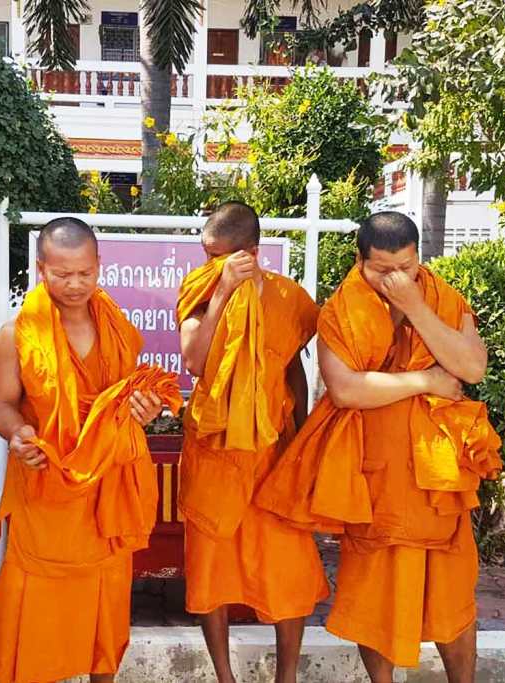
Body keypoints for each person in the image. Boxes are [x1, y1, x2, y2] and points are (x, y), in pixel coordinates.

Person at [257, 211, 501, 683]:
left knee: (451, 594)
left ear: (419, 259)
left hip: (438, 477)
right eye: (381, 269)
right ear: (359, 260)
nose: (395, 279)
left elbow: (471, 367)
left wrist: (416, 308)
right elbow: (346, 389)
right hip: (374, 475)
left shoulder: (439, 297)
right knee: (375, 596)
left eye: (406, 267)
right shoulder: (341, 309)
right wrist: (425, 379)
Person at [0, 218, 180, 683]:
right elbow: (2, 405)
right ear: (40, 268)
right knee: (40, 606)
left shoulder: (118, 329)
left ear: (99, 267)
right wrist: (19, 434)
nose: (74, 284)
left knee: (104, 601)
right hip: (48, 486)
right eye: (62, 273)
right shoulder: (17, 334)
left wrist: (142, 412)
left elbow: (121, 408)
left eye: (85, 273)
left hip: (106, 488)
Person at [177, 201, 329, 683]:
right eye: (207, 256)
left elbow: (293, 370)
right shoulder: (201, 292)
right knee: (211, 570)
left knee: (288, 568)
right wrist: (222, 291)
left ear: (253, 252)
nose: (211, 266)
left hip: (271, 453)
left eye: (222, 257)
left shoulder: (289, 298)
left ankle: (287, 677)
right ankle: (225, 676)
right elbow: (196, 362)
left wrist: (301, 440)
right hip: (215, 450)